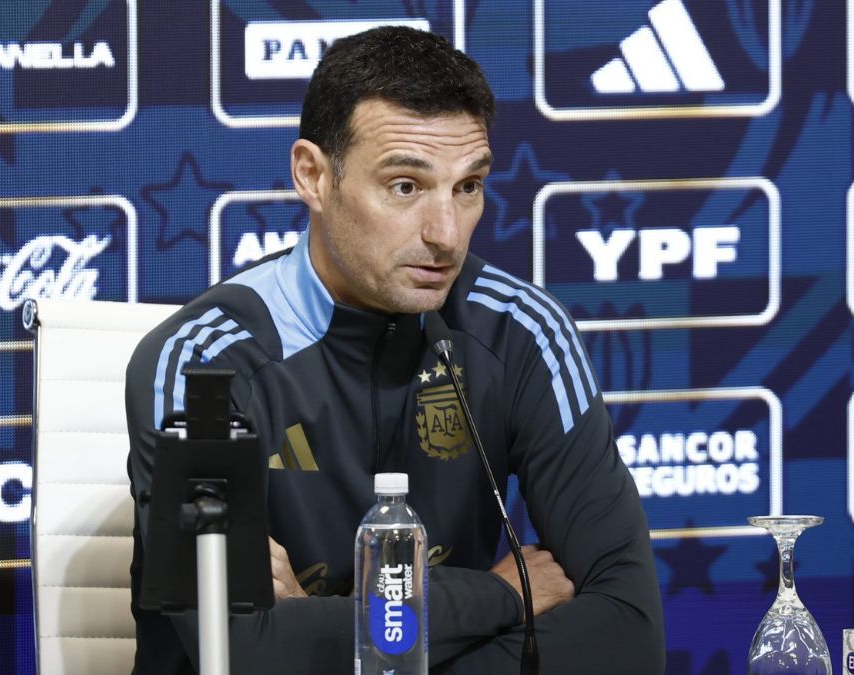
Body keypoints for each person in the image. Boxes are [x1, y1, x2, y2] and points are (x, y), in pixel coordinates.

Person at [126, 25, 665, 674]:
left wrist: (327, 627)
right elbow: (244, 653)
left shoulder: (520, 331)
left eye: (467, 187)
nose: (445, 234)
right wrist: (501, 593)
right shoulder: (202, 363)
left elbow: (630, 637)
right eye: (405, 186)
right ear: (313, 177)